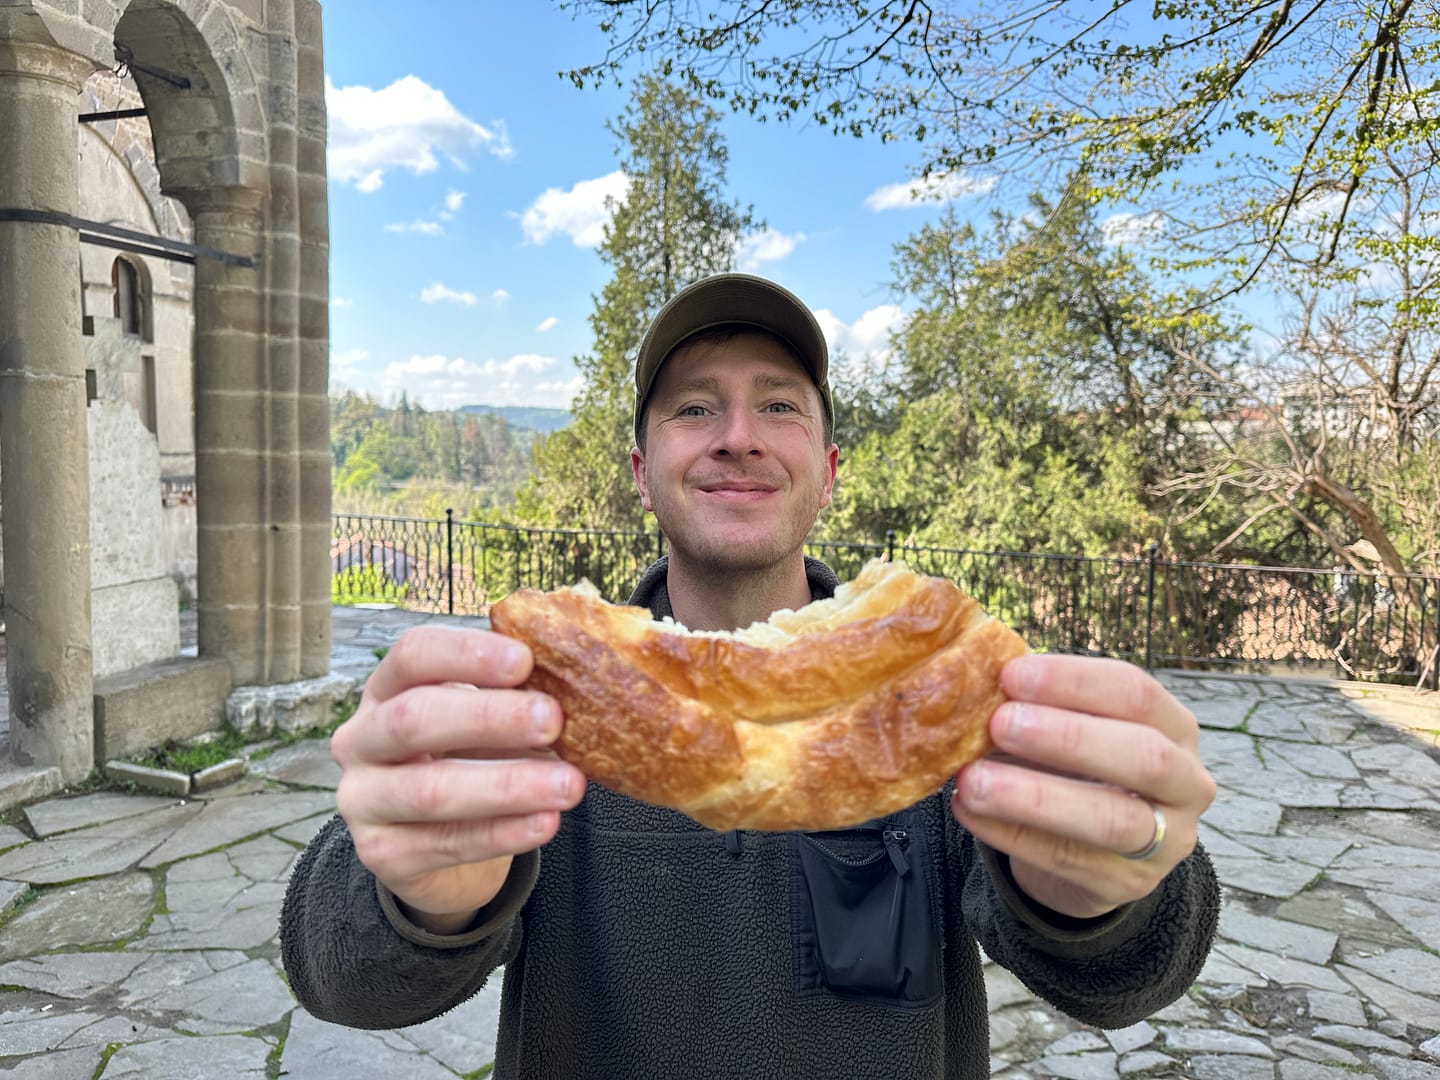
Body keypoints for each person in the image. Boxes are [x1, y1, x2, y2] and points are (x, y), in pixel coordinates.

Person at [281, 273, 1220, 1079]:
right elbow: (339, 979)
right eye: (695, 407)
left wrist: (1120, 887)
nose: (739, 435)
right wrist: (412, 894)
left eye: (779, 405)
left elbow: (1127, 979)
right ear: (645, 474)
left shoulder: (935, 698)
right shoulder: (538, 702)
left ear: (828, 469)